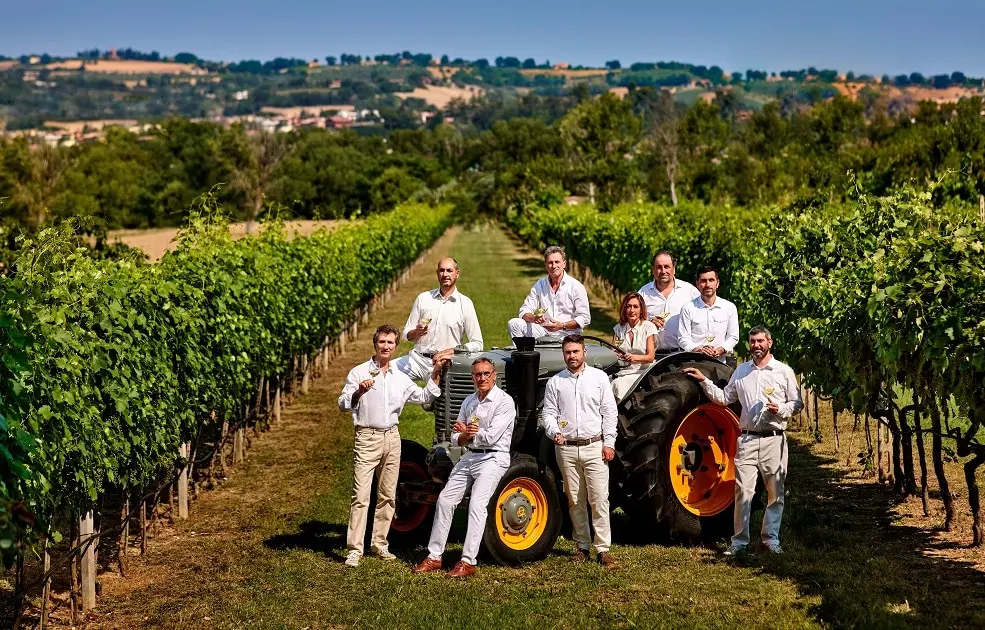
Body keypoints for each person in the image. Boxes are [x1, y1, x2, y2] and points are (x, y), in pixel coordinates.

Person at [682, 327, 803, 556]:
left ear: (770, 342)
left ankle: (770, 539)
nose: (756, 345)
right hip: (747, 439)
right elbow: (725, 399)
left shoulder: (783, 371)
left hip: (773, 440)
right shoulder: (742, 371)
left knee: (775, 492)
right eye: (752, 342)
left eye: (760, 341)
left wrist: (781, 409)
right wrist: (704, 381)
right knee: (742, 492)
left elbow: (797, 403)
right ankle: (739, 542)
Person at [338, 324, 447, 567]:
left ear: (396, 346)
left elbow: (423, 398)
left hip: (392, 437)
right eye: (382, 342)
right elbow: (343, 404)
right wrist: (358, 393)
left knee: (388, 495)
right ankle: (355, 549)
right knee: (361, 496)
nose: (386, 347)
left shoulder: (400, 377)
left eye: (390, 343)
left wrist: (436, 373)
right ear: (375, 344)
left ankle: (380, 544)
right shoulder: (359, 372)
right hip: (367, 437)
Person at [413, 357, 516, 578]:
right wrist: (465, 436)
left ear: (494, 375)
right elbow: (455, 436)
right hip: (470, 456)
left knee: (477, 505)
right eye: (478, 374)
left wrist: (468, 435)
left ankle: (468, 562)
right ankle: (434, 557)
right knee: (445, 500)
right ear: (473, 377)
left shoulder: (505, 402)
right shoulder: (469, 401)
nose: (482, 378)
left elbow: (491, 438)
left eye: (486, 374)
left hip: (493, 458)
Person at [541, 335, 618, 567]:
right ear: (563, 354)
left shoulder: (599, 378)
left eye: (575, 351)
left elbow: (609, 413)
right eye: (568, 352)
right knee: (574, 499)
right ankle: (582, 546)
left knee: (599, 499)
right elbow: (548, 414)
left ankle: (603, 549)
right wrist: (554, 432)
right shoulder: (555, 382)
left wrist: (609, 443)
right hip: (566, 448)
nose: (572, 356)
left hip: (594, 445)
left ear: (584, 352)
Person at [395, 257, 483, 381]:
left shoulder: (465, 304)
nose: (445, 274)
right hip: (417, 360)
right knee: (385, 374)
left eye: (449, 270)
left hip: (444, 364)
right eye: (441, 270)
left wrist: (451, 351)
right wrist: (415, 333)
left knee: (437, 399)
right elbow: (406, 333)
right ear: (437, 274)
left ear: (457, 274)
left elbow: (478, 343)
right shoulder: (423, 298)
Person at [507, 246, 590, 342]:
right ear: (545, 265)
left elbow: (585, 318)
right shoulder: (540, 284)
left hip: (567, 335)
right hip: (543, 332)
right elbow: (524, 310)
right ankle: (523, 355)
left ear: (564, 264)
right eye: (550, 263)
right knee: (514, 324)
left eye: (557, 262)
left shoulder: (576, 286)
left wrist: (562, 325)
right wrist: (535, 318)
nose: (554, 266)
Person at [638, 250, 699, 351]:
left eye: (667, 267)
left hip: (682, 354)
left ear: (674, 269)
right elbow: (633, 322)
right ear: (653, 270)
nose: (663, 271)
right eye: (658, 267)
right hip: (652, 355)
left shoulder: (690, 291)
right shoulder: (643, 293)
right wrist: (648, 324)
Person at [677, 266, 739, 362]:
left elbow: (733, 337)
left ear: (717, 283)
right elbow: (683, 338)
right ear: (697, 284)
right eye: (703, 281)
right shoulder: (688, 308)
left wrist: (720, 349)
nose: (707, 284)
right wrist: (698, 350)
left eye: (711, 280)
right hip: (694, 362)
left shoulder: (729, 307)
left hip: (720, 363)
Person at [610, 292, 658, 399]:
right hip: (623, 370)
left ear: (641, 309)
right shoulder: (618, 328)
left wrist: (634, 358)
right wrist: (614, 355)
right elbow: (613, 351)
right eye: (628, 306)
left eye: (635, 307)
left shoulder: (648, 327)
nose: (632, 310)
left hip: (643, 372)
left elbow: (650, 357)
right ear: (624, 309)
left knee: (618, 384)